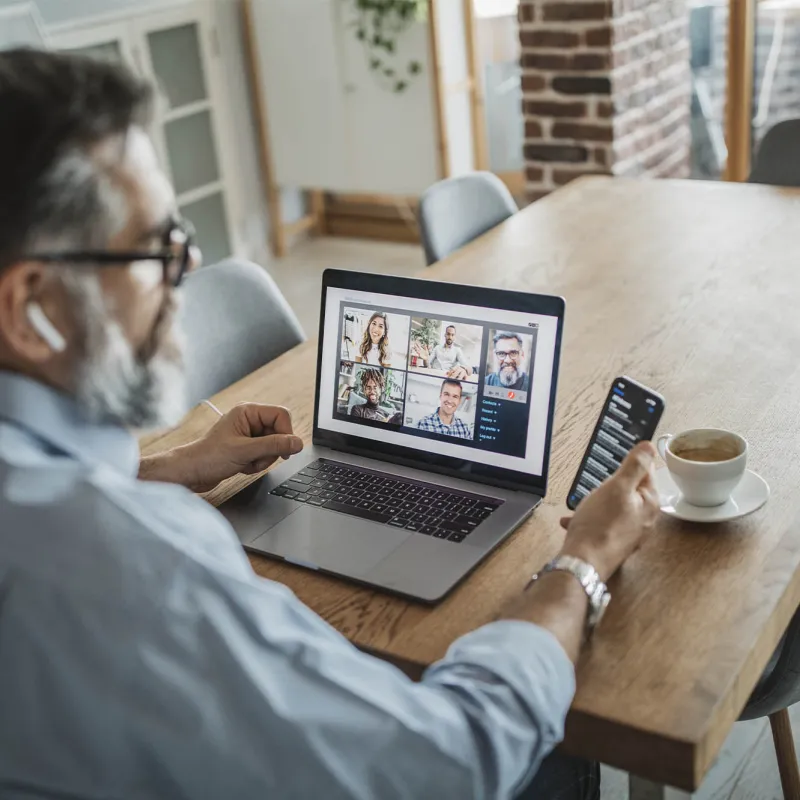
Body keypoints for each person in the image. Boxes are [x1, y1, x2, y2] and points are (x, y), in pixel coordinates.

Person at [0, 49, 661, 800]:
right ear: (29, 309)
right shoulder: (133, 568)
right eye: (157, 249)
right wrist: (582, 564)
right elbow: (447, 766)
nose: (185, 273)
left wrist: (166, 468)